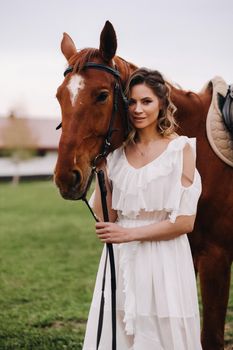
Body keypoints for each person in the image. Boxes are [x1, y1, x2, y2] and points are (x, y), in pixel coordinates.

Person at [82, 68, 202, 350]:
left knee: (162, 331)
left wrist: (128, 235)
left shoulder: (181, 150)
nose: (137, 109)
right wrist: (102, 174)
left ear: (161, 104)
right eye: (131, 102)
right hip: (123, 261)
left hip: (166, 259)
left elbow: (185, 223)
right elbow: (108, 217)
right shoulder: (115, 155)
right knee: (119, 329)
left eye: (146, 101)